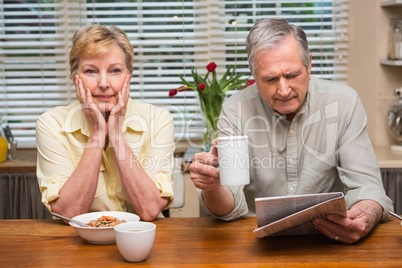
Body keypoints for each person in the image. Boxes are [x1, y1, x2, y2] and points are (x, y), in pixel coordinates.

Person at [189, 18, 393, 244]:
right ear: (254, 75)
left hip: (328, 241)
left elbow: (368, 188)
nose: (283, 90)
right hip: (254, 244)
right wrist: (215, 187)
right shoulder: (235, 110)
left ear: (309, 65)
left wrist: (366, 215)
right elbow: (230, 208)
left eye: (293, 75)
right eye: (270, 79)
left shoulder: (344, 102)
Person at [36, 25, 175, 221]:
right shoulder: (51, 124)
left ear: (129, 76)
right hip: (75, 243)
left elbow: (150, 209)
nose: (103, 83)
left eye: (115, 71)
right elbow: (67, 213)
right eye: (91, 71)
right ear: (75, 78)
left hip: (141, 239)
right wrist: (97, 135)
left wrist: (117, 135)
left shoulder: (159, 119)